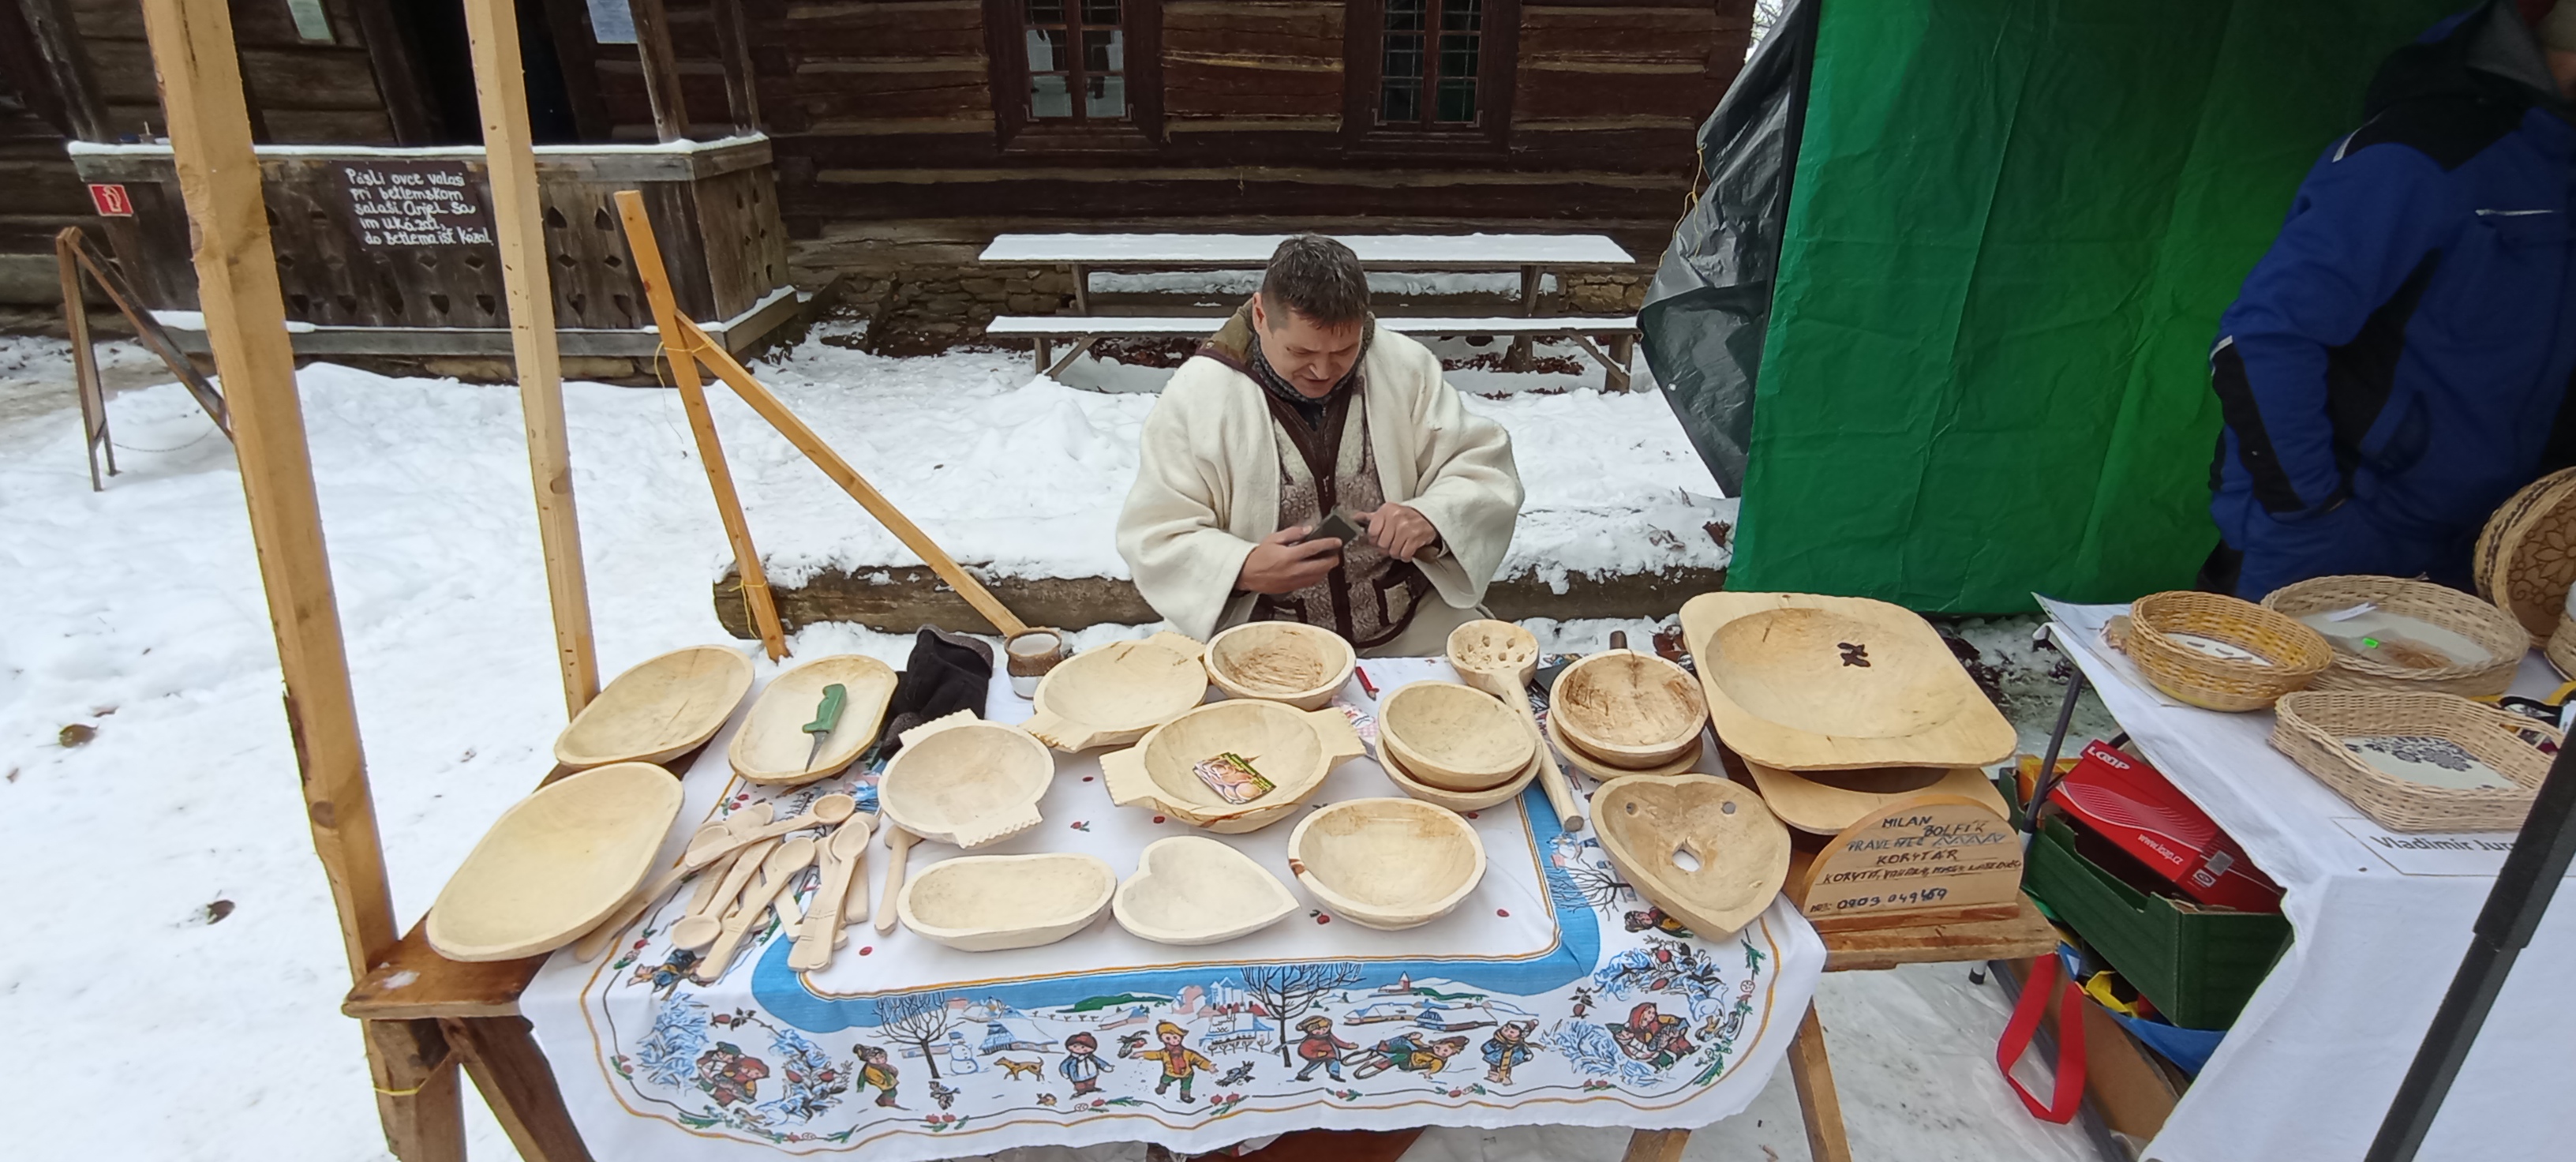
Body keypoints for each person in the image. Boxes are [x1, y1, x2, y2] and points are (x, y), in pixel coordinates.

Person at [2205, 1, 2576, 599]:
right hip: (2343, 532)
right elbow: (2261, 339)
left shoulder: (2562, 164)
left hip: (2487, 548)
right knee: (2276, 667)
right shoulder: (2424, 151)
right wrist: (2313, 513)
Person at [1117, 235, 1525, 654]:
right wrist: (1240, 567)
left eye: (1345, 350)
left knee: (1492, 681)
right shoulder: (1199, 395)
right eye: (1300, 351)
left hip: (1409, 625)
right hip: (1259, 633)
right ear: (1260, 315)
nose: (1322, 370)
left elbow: (1483, 469)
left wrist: (1432, 517)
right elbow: (1155, 533)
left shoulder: (1405, 368)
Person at [1121, 1021, 1218, 1103]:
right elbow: (1154, 1054)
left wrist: (1208, 1066)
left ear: (1180, 1037)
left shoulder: (1187, 1053)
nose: (1173, 1041)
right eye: (1168, 1038)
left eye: (1175, 1037)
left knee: (1186, 1085)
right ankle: (1162, 1087)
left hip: (1187, 1073)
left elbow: (1199, 1060)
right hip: (1170, 1073)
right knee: (1165, 1079)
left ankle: (1185, 1096)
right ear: (1163, 1039)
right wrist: (1142, 1054)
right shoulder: (1164, 1053)